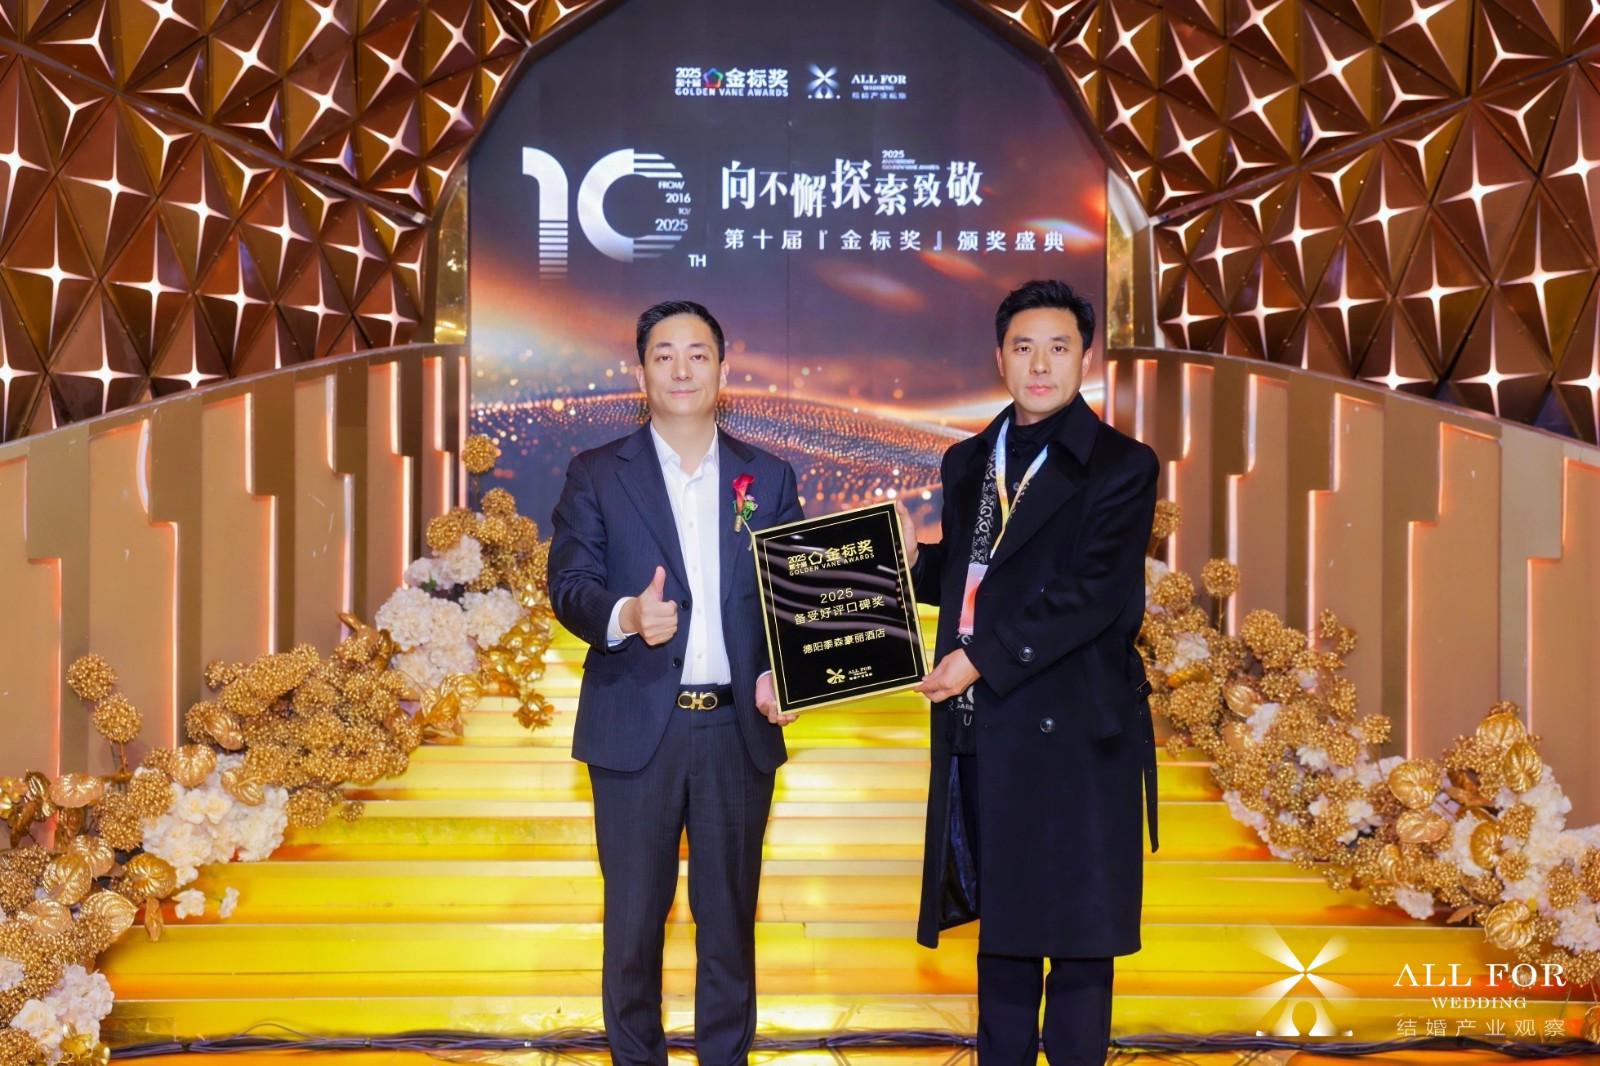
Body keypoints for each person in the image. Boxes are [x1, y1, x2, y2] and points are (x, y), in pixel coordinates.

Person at [899, 279, 1160, 1065]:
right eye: (1024, 348)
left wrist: (978, 660)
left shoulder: (1120, 465)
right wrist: (906, 564)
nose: (1040, 365)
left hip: (1077, 734)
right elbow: (973, 576)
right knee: (1004, 941)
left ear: (1084, 358)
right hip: (990, 730)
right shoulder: (969, 460)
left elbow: (1094, 595)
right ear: (1000, 359)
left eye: (1057, 348)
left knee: (1080, 947)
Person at [547, 300, 804, 1066]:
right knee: (632, 927)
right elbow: (569, 584)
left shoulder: (768, 476)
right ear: (641, 371)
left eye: (698, 354)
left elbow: (790, 600)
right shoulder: (597, 473)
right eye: (664, 355)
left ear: (723, 368)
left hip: (735, 732)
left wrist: (785, 670)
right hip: (635, 732)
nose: (682, 369)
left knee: (728, 927)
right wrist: (626, 614)